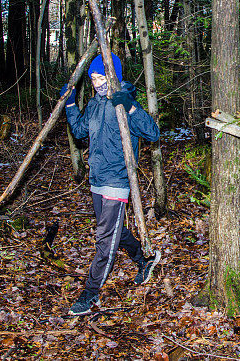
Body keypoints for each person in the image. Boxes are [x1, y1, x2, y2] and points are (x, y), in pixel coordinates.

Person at [60, 53, 161, 316]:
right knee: (114, 231)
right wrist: (71, 106)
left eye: (101, 77)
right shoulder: (93, 104)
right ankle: (144, 258)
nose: (96, 83)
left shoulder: (125, 100)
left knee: (104, 239)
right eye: (93, 78)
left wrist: (129, 106)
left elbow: (152, 132)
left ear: (114, 76)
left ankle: (91, 293)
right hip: (96, 179)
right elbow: (81, 133)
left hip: (117, 180)